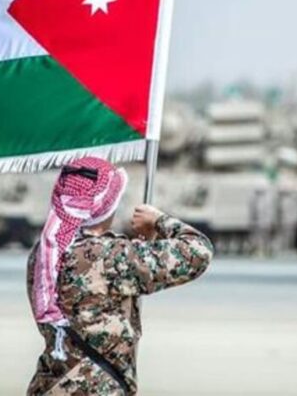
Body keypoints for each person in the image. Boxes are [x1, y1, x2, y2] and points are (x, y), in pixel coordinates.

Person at [27, 157, 213, 395]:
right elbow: (199, 251)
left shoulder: (44, 252)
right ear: (105, 205)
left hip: (51, 382)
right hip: (95, 387)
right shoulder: (107, 255)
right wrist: (159, 220)